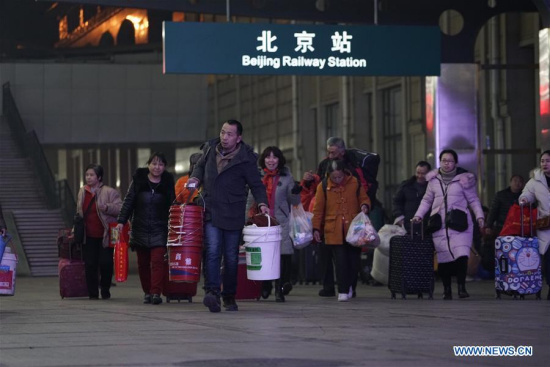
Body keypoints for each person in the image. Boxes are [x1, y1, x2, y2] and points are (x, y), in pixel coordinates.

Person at [187, 119, 268, 313]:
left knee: (231, 257)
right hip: (212, 208)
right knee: (213, 251)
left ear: (238, 138)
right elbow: (199, 166)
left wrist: (263, 203)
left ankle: (229, 295)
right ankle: (212, 293)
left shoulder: (246, 158)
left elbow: (256, 184)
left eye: (229, 134)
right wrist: (195, 178)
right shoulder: (209, 149)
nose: (224, 137)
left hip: (233, 212)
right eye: (223, 132)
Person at [412, 149, 484, 300]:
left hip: (460, 224)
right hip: (440, 224)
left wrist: (479, 216)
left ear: (456, 163)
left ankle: (461, 287)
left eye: (450, 161)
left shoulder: (464, 180)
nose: (447, 163)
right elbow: (426, 200)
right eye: (444, 160)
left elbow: (473, 200)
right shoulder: (433, 180)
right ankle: (447, 289)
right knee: (444, 258)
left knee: (462, 255)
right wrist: (418, 215)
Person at [300, 137, 358, 297]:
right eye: (328, 152)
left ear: (342, 151)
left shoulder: (353, 167)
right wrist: (309, 181)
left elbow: (361, 191)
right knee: (325, 256)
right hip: (328, 218)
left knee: (350, 257)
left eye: (333, 152)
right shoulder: (324, 165)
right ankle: (329, 287)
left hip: (349, 221)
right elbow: (317, 189)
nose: (330, 155)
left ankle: (349, 286)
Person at [117, 152, 175, 305]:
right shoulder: (139, 180)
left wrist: (174, 225)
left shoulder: (168, 183)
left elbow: (172, 205)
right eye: (154, 164)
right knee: (143, 264)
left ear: (164, 167)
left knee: (157, 262)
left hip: (160, 228)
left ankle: (156, 292)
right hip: (140, 227)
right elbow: (129, 201)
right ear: (148, 165)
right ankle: (147, 292)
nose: (157, 167)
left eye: (161, 164)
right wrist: (121, 221)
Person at [312, 159, 370, 302]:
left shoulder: (355, 183)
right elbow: (318, 210)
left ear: (345, 173)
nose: (337, 180)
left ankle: (350, 286)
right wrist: (316, 229)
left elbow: (365, 198)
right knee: (340, 261)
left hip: (354, 229)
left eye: (340, 177)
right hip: (333, 231)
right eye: (334, 178)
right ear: (328, 175)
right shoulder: (323, 186)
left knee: (354, 261)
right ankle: (343, 290)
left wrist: (364, 206)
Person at [254, 146, 301, 302]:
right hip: (261, 223)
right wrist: (247, 220)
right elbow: (250, 199)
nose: (271, 160)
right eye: (268, 157)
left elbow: (294, 202)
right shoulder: (257, 176)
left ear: (279, 160)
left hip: (281, 222)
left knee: (281, 257)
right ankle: (266, 286)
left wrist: (295, 191)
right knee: (265, 257)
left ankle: (280, 289)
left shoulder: (287, 177)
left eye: (274, 157)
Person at [76, 164, 122, 300]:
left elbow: (120, 208)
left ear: (99, 177)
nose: (88, 178)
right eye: (87, 175)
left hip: (106, 234)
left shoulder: (109, 192)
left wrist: (106, 207)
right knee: (90, 264)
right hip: (88, 235)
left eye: (92, 175)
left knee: (106, 263)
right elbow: (79, 212)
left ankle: (105, 289)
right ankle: (93, 293)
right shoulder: (82, 192)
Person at [519, 150, 550, 300]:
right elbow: (527, 193)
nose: (545, 164)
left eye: (548, 161)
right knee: (548, 257)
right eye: (543, 161)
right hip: (546, 224)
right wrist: (524, 199)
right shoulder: (535, 180)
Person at [392, 161, 432, 231]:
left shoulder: (433, 187)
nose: (419, 176)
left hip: (428, 226)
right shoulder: (406, 185)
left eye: (423, 174)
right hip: (407, 225)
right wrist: (399, 217)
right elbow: (397, 202)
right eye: (418, 173)